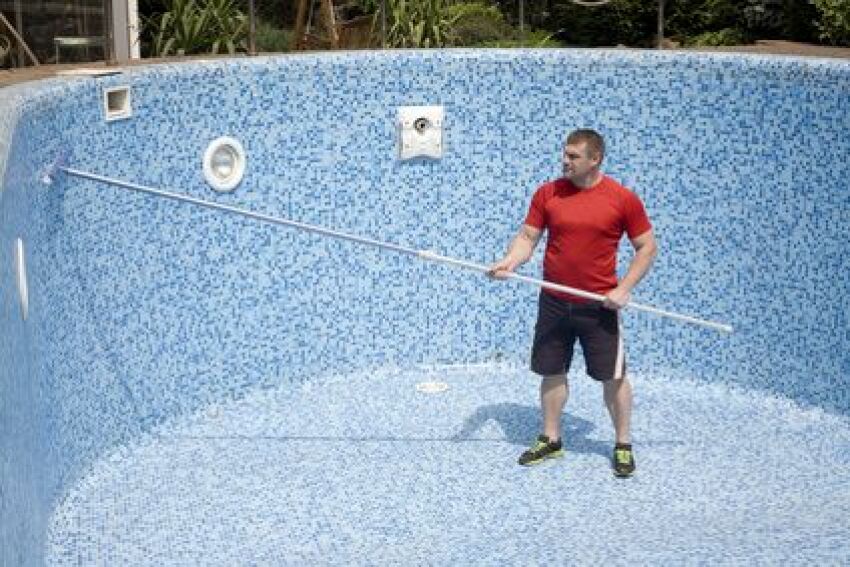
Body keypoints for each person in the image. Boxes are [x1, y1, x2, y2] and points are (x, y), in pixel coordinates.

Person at [488, 129, 657, 477]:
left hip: (599, 305)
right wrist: (510, 262)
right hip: (553, 299)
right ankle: (551, 438)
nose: (565, 161)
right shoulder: (548, 193)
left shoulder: (622, 199)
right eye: (564, 154)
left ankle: (623, 444)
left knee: (613, 376)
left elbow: (647, 247)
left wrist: (624, 288)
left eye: (573, 156)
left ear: (595, 159)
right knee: (551, 369)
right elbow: (527, 237)